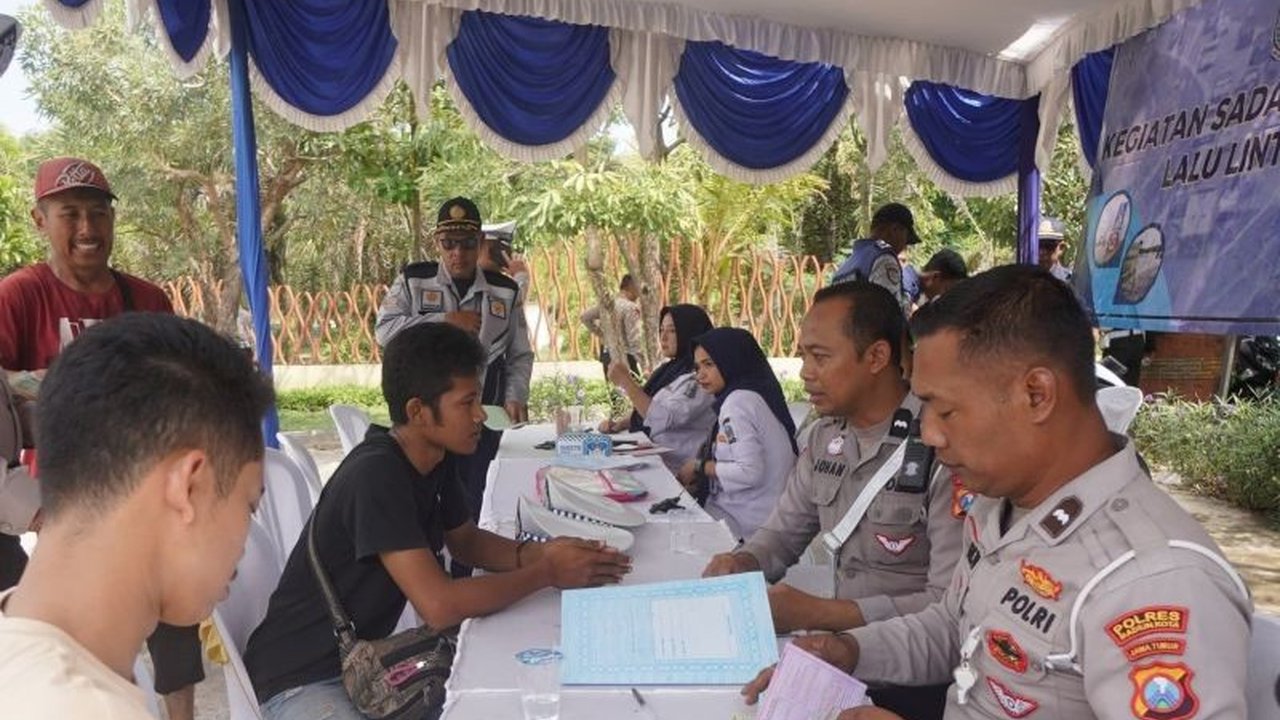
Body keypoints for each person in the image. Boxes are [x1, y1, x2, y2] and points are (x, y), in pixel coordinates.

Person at [742, 265, 1253, 720]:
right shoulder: (998, 507)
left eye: (945, 411)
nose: (929, 434)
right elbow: (954, 626)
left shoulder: (1151, 580)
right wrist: (848, 651)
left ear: (1037, 394)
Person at [245, 323, 631, 720]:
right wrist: (547, 572)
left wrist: (543, 553)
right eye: (467, 403)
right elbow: (439, 606)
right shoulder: (377, 475)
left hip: (366, 663)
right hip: (301, 678)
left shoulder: (432, 458)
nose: (480, 415)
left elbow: (465, 541)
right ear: (418, 411)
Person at [0, 157, 205, 720]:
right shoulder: (18, 296)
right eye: (70, 214)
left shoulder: (147, 300)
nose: (87, 229)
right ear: (40, 220)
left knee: (174, 614)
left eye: (98, 213)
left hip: (145, 484)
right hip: (60, 496)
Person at [704, 282, 962, 719]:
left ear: (876, 357)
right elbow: (782, 534)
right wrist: (743, 562)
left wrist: (823, 613)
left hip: (916, 679)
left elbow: (949, 606)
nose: (805, 372)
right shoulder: (825, 438)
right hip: (842, 663)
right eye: (803, 356)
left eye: (820, 357)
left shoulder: (943, 446)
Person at [0, 313, 274, 720]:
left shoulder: (21, 643)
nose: (243, 541)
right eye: (249, 505)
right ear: (188, 487)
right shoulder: (84, 709)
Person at [375, 197, 534, 574]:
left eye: (465, 243)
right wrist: (443, 320)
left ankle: (466, 577)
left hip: (480, 418)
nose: (457, 253)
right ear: (437, 243)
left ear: (480, 243)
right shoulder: (414, 281)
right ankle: (427, 577)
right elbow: (384, 331)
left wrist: (515, 396)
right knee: (423, 502)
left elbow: (520, 354)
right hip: (426, 421)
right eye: (448, 244)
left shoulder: (504, 292)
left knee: (474, 497)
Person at [675, 327, 798, 540]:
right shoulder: (754, 395)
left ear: (731, 360)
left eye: (709, 364)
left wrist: (699, 466)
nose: (700, 375)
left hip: (744, 525)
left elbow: (749, 472)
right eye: (697, 367)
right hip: (757, 516)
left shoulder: (738, 403)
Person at [599, 304, 717, 475]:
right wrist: (622, 423)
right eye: (661, 330)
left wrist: (626, 382)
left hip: (679, 471)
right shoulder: (672, 369)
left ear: (690, 332)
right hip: (654, 458)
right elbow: (654, 406)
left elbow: (663, 418)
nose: (663, 337)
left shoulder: (702, 377)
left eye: (672, 331)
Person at [830, 203, 921, 314]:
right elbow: (889, 313)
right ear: (895, 230)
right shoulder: (884, 258)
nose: (904, 247)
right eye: (906, 239)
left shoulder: (846, 265)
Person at [581, 274, 644, 378]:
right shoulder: (630, 308)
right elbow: (634, 340)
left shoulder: (608, 305)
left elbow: (585, 317)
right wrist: (644, 364)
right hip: (625, 358)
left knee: (611, 388)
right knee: (633, 387)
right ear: (632, 287)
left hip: (607, 355)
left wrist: (603, 335)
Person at [1037, 216, 1073, 283]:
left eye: (1048, 246)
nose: (1041, 252)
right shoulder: (1022, 279)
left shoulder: (1070, 282)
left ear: (1061, 248)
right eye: (1037, 245)